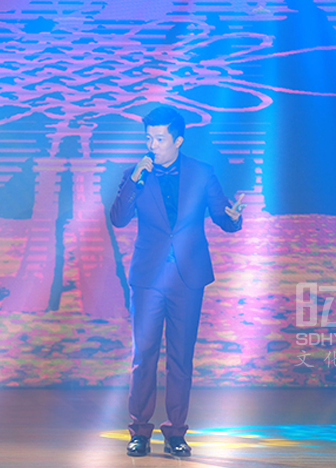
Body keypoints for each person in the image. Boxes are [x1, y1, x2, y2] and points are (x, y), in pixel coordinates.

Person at [110, 105, 245, 457]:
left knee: (181, 358)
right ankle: (139, 431)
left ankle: (175, 433)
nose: (152, 145)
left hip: (187, 277)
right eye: (148, 138)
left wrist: (233, 218)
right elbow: (118, 219)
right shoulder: (136, 175)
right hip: (149, 278)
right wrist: (135, 180)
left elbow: (222, 216)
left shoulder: (201, 172)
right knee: (144, 356)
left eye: (159, 139)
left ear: (178, 140)